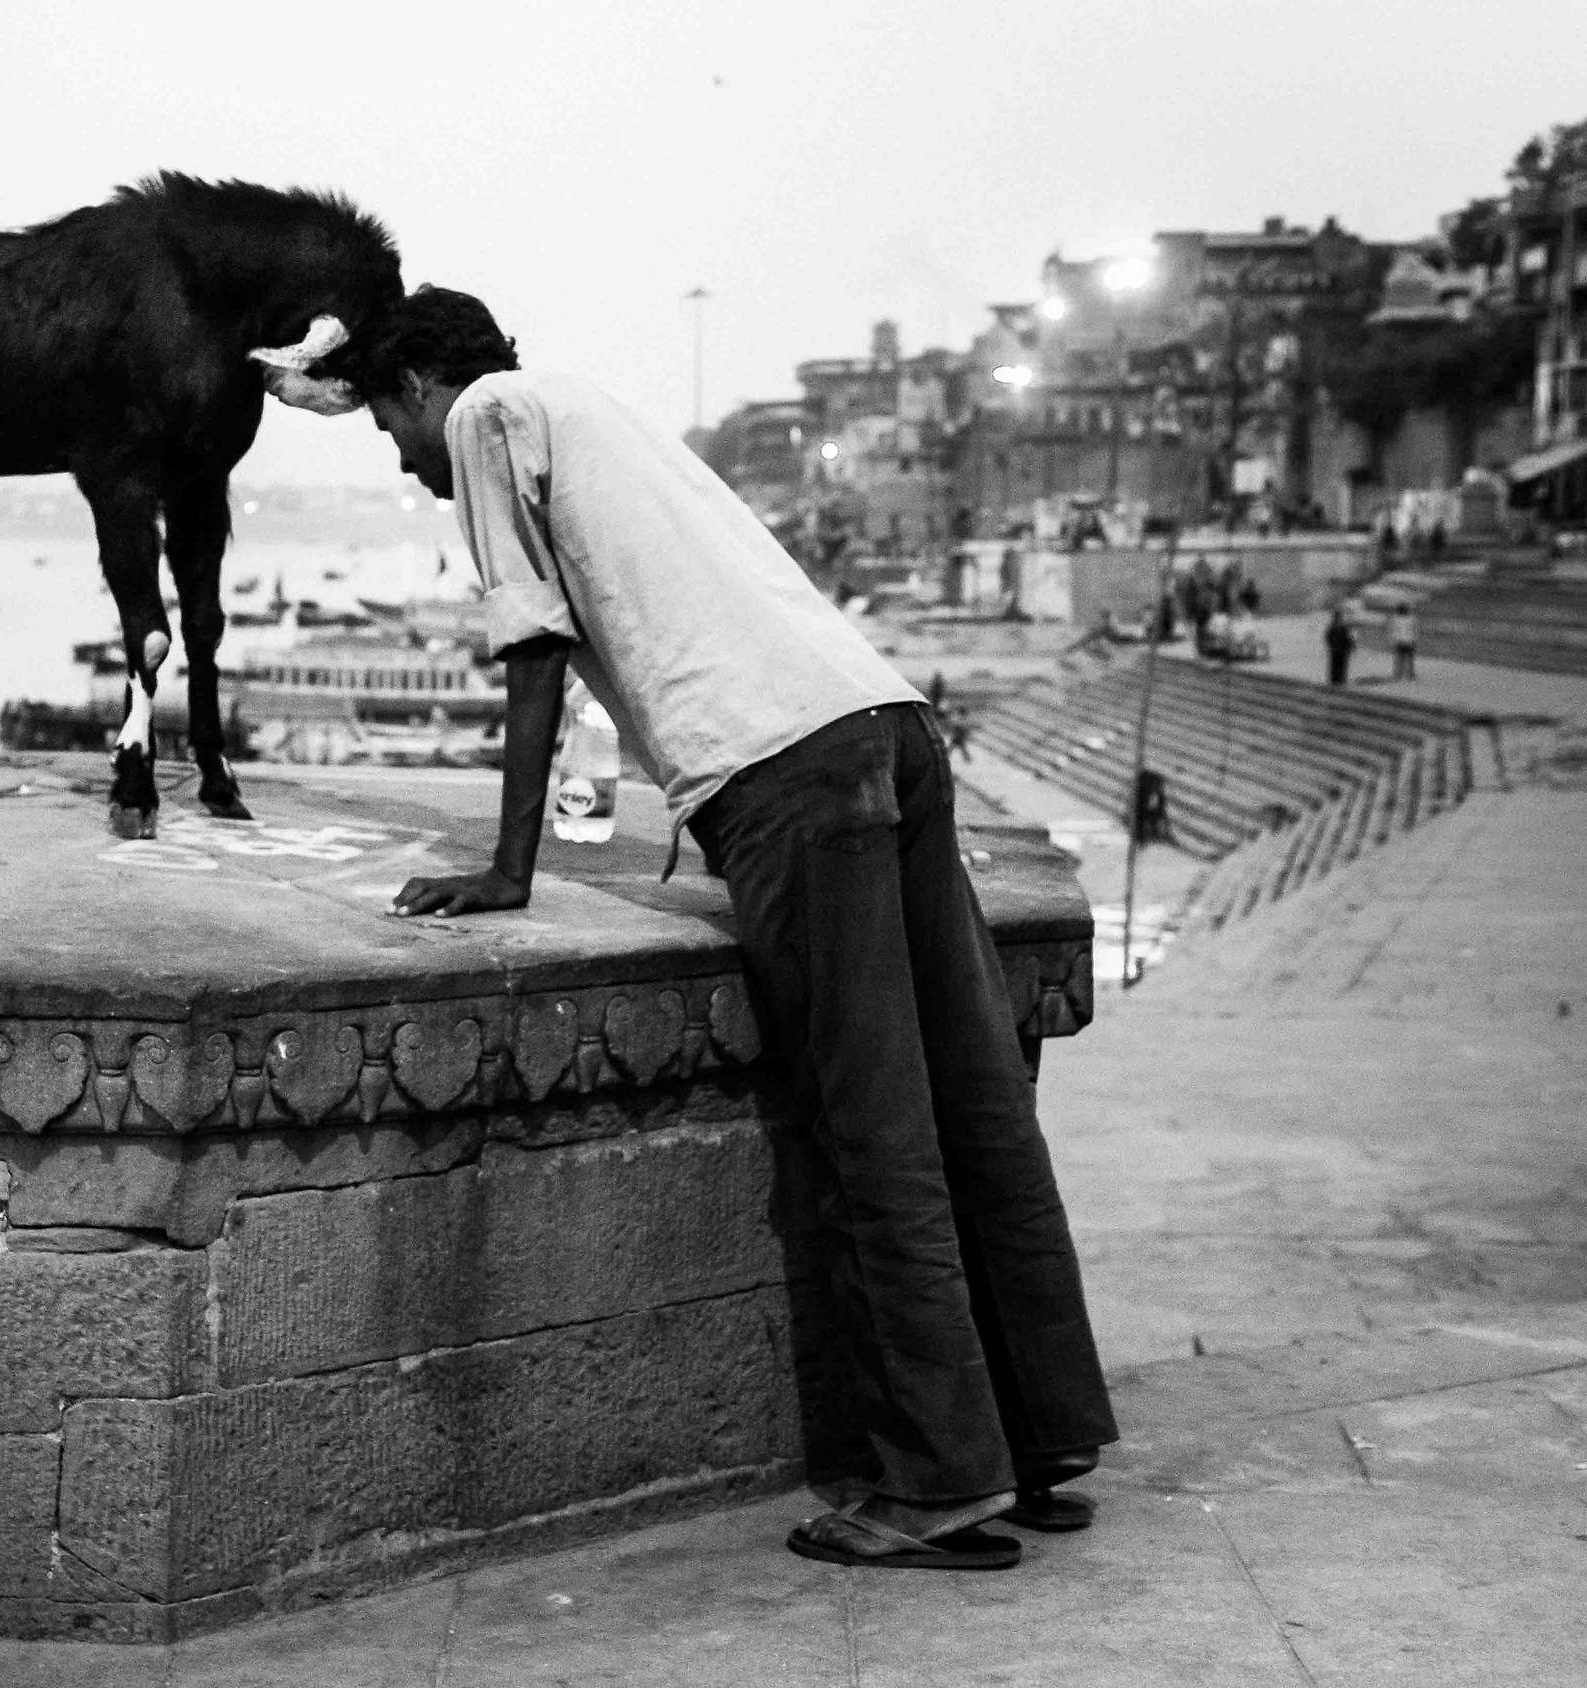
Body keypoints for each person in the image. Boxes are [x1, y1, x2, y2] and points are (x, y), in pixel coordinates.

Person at [338, 288, 1116, 1573]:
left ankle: (937, 1482)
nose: (410, 467)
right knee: (977, 1107)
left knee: (874, 1132)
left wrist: (505, 870)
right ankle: (1043, 1439)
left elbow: (531, 652)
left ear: (420, 382)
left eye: (387, 430)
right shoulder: (587, 407)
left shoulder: (481, 416)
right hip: (887, 726)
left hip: (786, 776)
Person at [1324, 606, 1357, 687]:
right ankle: (1340, 679)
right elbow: (1348, 638)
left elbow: (1327, 637)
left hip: (1335, 649)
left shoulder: (1332, 626)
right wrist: (1352, 646)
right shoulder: (1342, 627)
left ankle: (1334, 680)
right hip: (1342, 650)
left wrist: (1331, 645)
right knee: (1341, 665)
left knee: (1334, 665)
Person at [1389, 599, 1419, 679]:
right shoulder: (1413, 618)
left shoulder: (1395, 619)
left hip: (1399, 640)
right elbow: (1415, 630)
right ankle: (1410, 674)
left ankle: (1398, 674)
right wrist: (1415, 639)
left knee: (1399, 658)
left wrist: (1392, 640)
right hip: (1410, 640)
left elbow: (1393, 630)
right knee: (1410, 659)